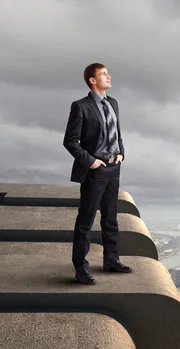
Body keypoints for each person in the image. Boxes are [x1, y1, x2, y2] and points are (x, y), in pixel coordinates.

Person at [63, 63, 132, 285]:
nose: (109, 76)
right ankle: (80, 268)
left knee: (111, 217)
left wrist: (121, 153)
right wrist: (91, 162)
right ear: (92, 80)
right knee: (86, 220)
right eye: (103, 74)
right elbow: (70, 141)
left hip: (114, 168)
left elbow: (117, 132)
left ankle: (111, 260)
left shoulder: (113, 103)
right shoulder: (80, 106)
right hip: (95, 170)